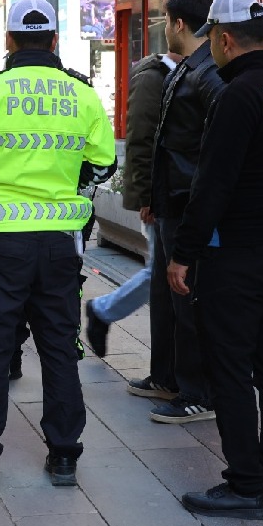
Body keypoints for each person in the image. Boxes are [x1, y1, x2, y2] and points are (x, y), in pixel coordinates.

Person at [0, 0, 116, 493]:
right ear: (55, 40)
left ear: (9, 41)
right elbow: (104, 165)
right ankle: (64, 457)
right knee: (60, 349)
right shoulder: (80, 95)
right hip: (61, 245)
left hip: (1, 244)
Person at [169, 0, 263, 520]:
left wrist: (183, 253)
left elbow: (213, 185)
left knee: (230, 368)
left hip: (236, 258)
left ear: (225, 39)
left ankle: (245, 484)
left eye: (212, 37)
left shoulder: (237, 96)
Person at [134, 0, 223, 425]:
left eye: (166, 21)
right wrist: (152, 198)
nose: (164, 29)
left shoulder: (209, 75)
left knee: (189, 302)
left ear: (179, 24)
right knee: (169, 298)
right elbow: (165, 144)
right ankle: (169, 378)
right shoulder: (185, 69)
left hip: (190, 205)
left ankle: (197, 393)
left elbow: (210, 152)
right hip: (171, 202)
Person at [83, 52, 178, 357]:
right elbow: (141, 141)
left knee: (162, 273)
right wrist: (146, 196)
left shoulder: (195, 71)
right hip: (162, 195)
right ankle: (102, 311)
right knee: (159, 272)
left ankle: (102, 311)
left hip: (179, 195)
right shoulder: (154, 76)